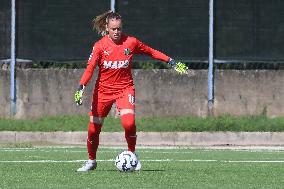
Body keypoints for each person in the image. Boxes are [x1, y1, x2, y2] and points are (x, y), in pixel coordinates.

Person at [75, 10, 188, 172]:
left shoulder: (131, 42)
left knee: (129, 123)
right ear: (107, 28)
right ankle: (91, 161)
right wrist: (81, 87)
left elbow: (151, 52)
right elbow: (90, 68)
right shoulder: (100, 46)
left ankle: (132, 156)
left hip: (124, 89)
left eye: (119, 28)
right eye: (113, 29)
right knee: (94, 128)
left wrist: (171, 61)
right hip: (103, 92)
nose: (116, 32)